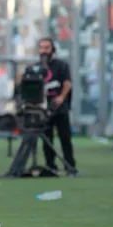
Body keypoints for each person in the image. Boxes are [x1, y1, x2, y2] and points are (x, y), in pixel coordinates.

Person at [38, 37, 78, 177]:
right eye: (42, 47)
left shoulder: (61, 65)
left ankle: (70, 167)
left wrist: (61, 97)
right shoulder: (37, 67)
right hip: (44, 109)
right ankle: (50, 167)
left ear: (52, 49)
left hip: (60, 108)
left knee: (65, 138)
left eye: (47, 47)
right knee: (46, 139)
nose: (44, 50)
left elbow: (67, 83)